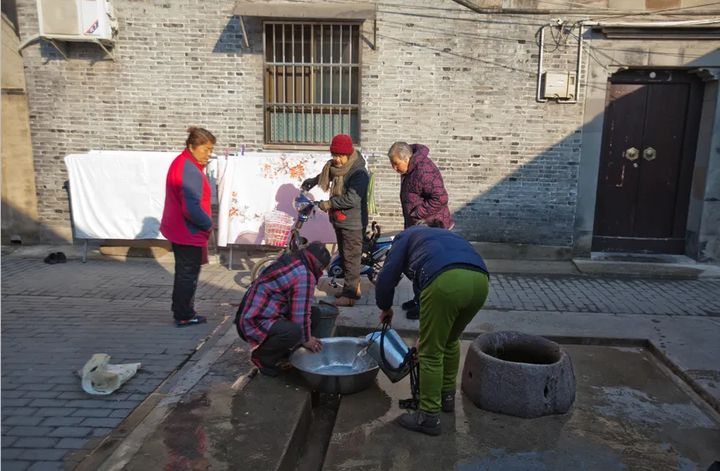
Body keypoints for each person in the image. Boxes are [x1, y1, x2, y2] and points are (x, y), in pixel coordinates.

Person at [375, 226, 489, 436]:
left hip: (446, 281)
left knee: (430, 353)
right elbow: (423, 290)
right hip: (480, 281)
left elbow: (387, 276)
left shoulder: (403, 238)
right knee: (450, 341)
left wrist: (385, 307)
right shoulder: (438, 238)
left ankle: (428, 416)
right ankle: (447, 397)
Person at [236, 242, 331, 377]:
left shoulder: (294, 260)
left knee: (314, 314)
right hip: (252, 322)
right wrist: (307, 339)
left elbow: (303, 309)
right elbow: (300, 316)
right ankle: (262, 358)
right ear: (319, 267)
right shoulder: (304, 274)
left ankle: (283, 351)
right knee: (294, 331)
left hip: (255, 315)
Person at [387, 142, 454, 320]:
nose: (394, 168)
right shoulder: (410, 169)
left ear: (406, 158)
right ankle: (419, 299)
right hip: (418, 227)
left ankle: (425, 305)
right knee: (416, 265)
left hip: (433, 228)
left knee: (426, 267)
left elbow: (441, 198)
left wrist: (417, 213)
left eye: (396, 164)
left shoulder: (423, 170)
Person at [302, 134, 369, 307]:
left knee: (351, 259)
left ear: (348, 153)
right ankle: (352, 289)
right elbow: (328, 173)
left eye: (340, 156)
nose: (336, 159)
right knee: (345, 256)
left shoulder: (359, 173)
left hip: (353, 223)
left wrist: (328, 204)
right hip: (340, 220)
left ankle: (349, 296)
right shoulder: (336, 167)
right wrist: (312, 181)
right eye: (334, 155)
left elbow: (352, 199)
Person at [160, 126, 216, 327]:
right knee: (187, 274)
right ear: (192, 147)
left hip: (179, 228)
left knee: (184, 272)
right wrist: (208, 224)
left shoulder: (182, 162)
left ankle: (181, 311)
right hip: (187, 231)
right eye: (205, 149)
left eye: (211, 150)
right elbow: (191, 208)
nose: (208, 154)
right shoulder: (190, 170)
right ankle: (184, 314)